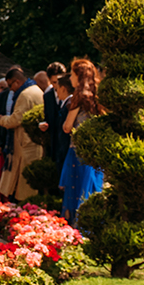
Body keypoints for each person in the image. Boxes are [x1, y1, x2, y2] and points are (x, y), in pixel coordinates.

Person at [60, 59, 105, 223]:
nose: (70, 78)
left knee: (75, 191)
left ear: (79, 77)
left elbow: (67, 126)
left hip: (77, 151)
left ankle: (76, 228)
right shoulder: (98, 96)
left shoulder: (78, 97)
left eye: (72, 74)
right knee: (92, 190)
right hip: (96, 152)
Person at [0, 66, 44, 202]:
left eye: (10, 85)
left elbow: (15, 120)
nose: (11, 90)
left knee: (24, 187)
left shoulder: (25, 95)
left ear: (16, 82)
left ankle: (25, 210)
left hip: (26, 144)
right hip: (31, 143)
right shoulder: (36, 90)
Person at [36, 61, 68, 172]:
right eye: (54, 82)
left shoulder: (71, 94)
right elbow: (48, 117)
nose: (58, 85)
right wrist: (44, 125)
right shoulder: (48, 95)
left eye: (60, 81)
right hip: (55, 143)